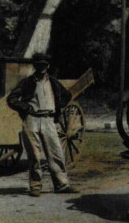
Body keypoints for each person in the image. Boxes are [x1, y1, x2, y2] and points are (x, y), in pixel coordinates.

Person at [7, 53, 79, 197]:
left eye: (44, 65)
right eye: (39, 65)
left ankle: (62, 185)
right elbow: (12, 99)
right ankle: (36, 186)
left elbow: (67, 95)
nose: (42, 68)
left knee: (56, 152)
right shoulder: (27, 82)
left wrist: (59, 108)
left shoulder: (53, 82)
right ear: (35, 66)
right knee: (34, 155)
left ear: (48, 66)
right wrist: (25, 107)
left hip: (49, 120)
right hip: (31, 120)